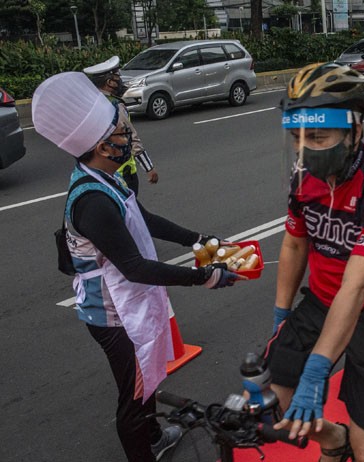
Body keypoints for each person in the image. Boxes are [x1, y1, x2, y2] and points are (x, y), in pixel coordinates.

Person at [31, 72, 244, 462]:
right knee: (133, 393)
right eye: (121, 134)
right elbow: (136, 268)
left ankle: (155, 436)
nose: (128, 138)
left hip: (128, 300)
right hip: (112, 312)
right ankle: (144, 450)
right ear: (101, 147)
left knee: (145, 376)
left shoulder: (106, 177)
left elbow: (143, 218)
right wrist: (205, 276)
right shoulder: (93, 201)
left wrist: (200, 239)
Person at [267, 62, 364, 462]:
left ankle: (359, 442)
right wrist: (282, 315)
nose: (305, 150)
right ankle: (335, 439)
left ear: (355, 132)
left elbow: (358, 286)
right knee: (272, 402)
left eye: (318, 137)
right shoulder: (303, 176)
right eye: (298, 138)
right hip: (323, 298)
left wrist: (318, 366)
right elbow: (295, 245)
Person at [84, 57, 158, 196]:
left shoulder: (90, 103)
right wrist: (149, 168)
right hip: (122, 172)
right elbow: (131, 138)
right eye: (117, 77)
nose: (120, 81)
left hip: (99, 170)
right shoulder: (115, 105)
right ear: (109, 82)